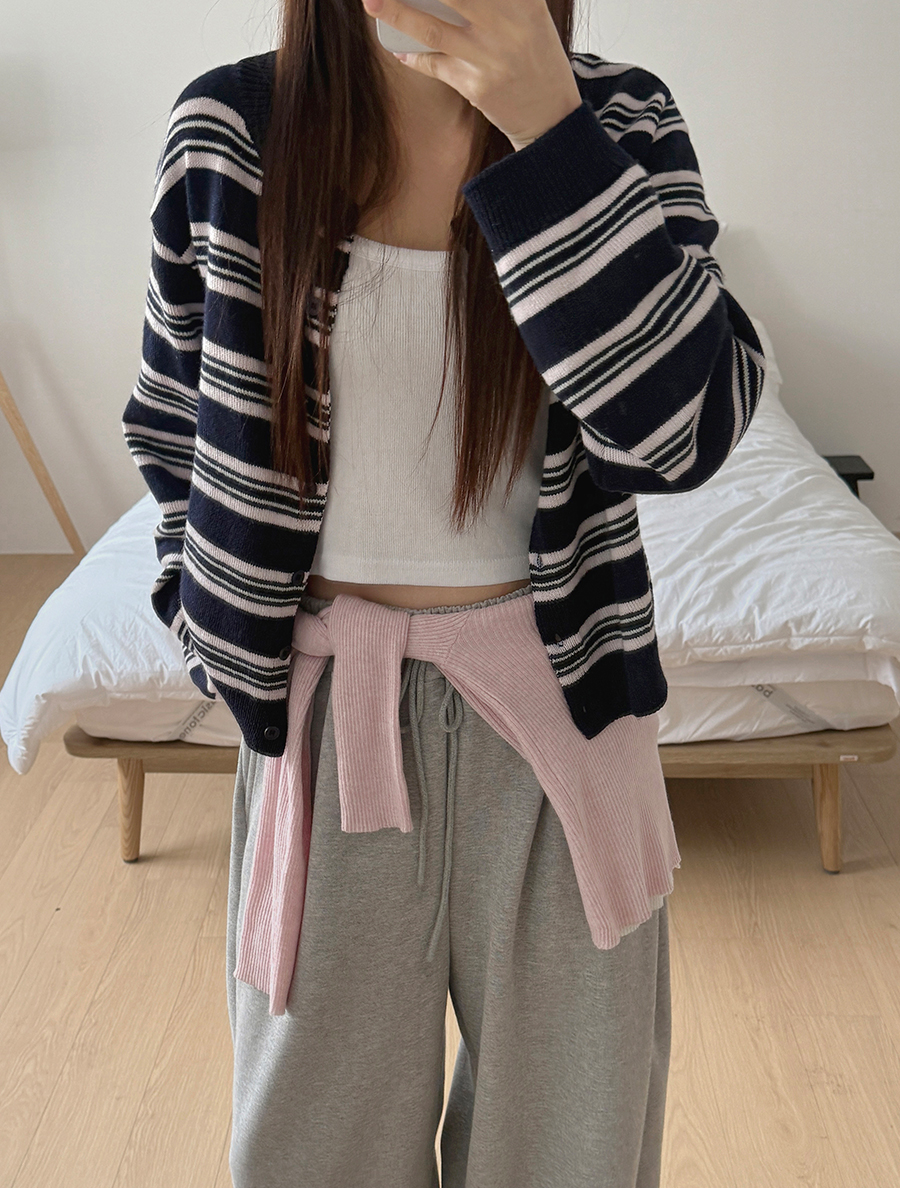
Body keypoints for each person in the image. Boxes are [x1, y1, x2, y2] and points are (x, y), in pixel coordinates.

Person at [122, 1, 766, 1184]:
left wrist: (549, 131)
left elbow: (684, 432)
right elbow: (171, 427)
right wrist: (213, 620)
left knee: (572, 1152)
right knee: (312, 1153)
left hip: (564, 721)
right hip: (325, 729)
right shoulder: (230, 129)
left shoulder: (618, 120)